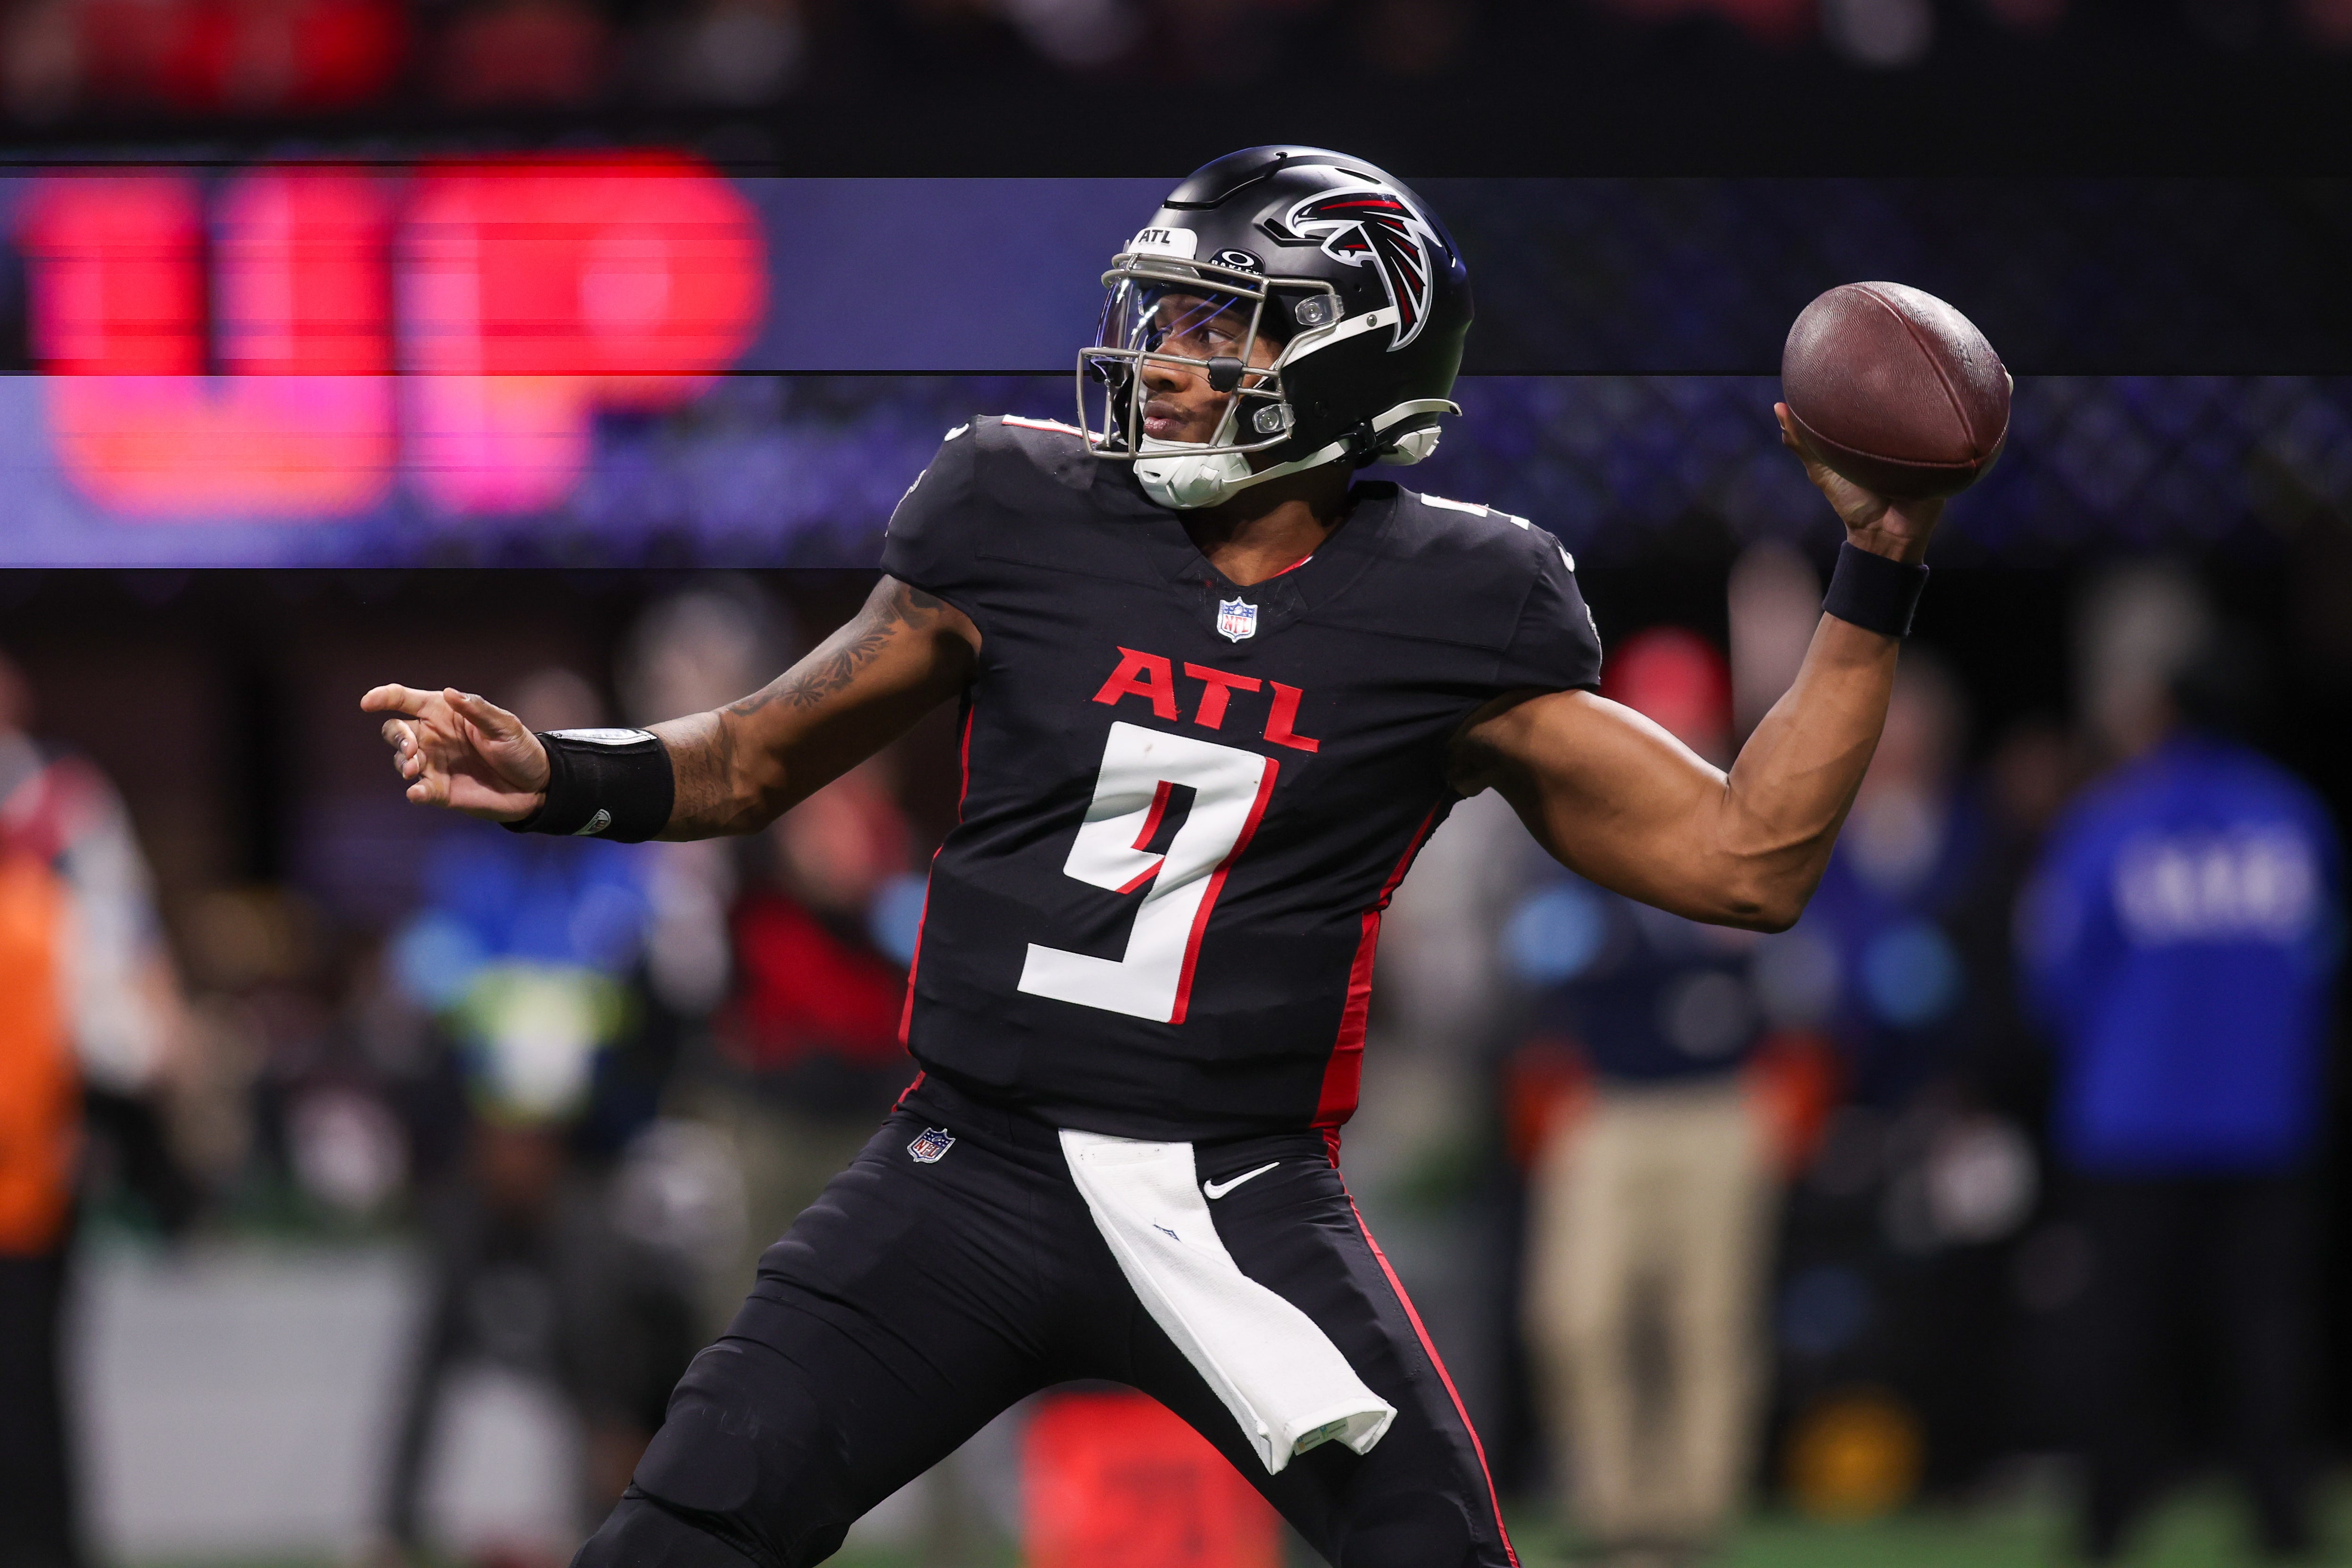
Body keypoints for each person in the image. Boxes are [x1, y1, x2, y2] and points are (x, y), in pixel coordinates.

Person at [365, 146, 1956, 1568]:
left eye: (1217, 325)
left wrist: (1875, 563)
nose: (1163, 360)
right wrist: (559, 770)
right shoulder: (1014, 504)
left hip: (1237, 1191)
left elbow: (1746, 859)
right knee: (691, 1520)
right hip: (966, 1164)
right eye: (1162, 316)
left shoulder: (1460, 602)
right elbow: (753, 757)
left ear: (1346, 356)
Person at [2020, 592, 2342, 1562]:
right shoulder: (2293, 817)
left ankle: (2108, 1520)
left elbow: (2056, 972)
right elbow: (2323, 965)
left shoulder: (2110, 822)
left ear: (2162, 709)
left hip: (2131, 1123)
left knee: (2122, 1335)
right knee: (2268, 1336)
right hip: (2265, 1123)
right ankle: (2281, 1516)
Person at [1512, 629, 1787, 1568]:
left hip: (1720, 1101)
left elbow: (1810, 973)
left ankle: (1684, 1524)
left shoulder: (1749, 819)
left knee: (1709, 1322)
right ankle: (1616, 1513)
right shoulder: (1570, 823)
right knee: (1578, 1315)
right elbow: (1532, 959)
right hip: (1607, 1101)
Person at [0, 650, 188, 1568]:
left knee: (30, 1369)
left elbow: (123, 950)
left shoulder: (63, 809)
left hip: (41, 1135)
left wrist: (142, 1056)